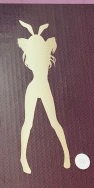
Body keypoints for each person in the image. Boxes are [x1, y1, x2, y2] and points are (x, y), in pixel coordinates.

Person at [17, 20, 70, 174]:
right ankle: (23, 158)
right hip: (34, 87)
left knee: (54, 122)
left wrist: (37, 31)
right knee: (28, 123)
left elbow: (46, 43)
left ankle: (66, 154)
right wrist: (35, 31)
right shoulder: (32, 55)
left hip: (44, 87)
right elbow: (26, 43)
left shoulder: (46, 53)